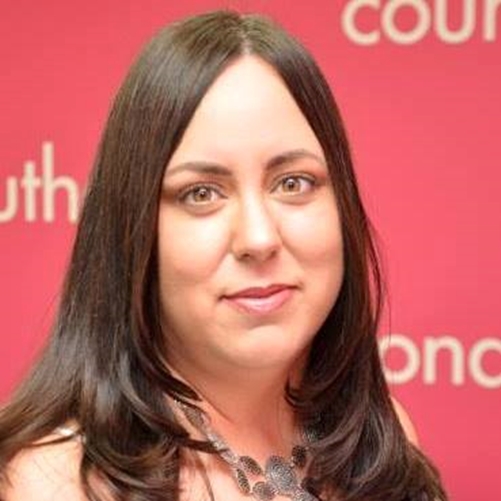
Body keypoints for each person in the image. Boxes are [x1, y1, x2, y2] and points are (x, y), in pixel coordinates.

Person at [0, 10, 447, 501]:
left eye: (293, 183)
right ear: (132, 229)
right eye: (202, 193)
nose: (258, 237)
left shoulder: (381, 445)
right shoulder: (59, 482)